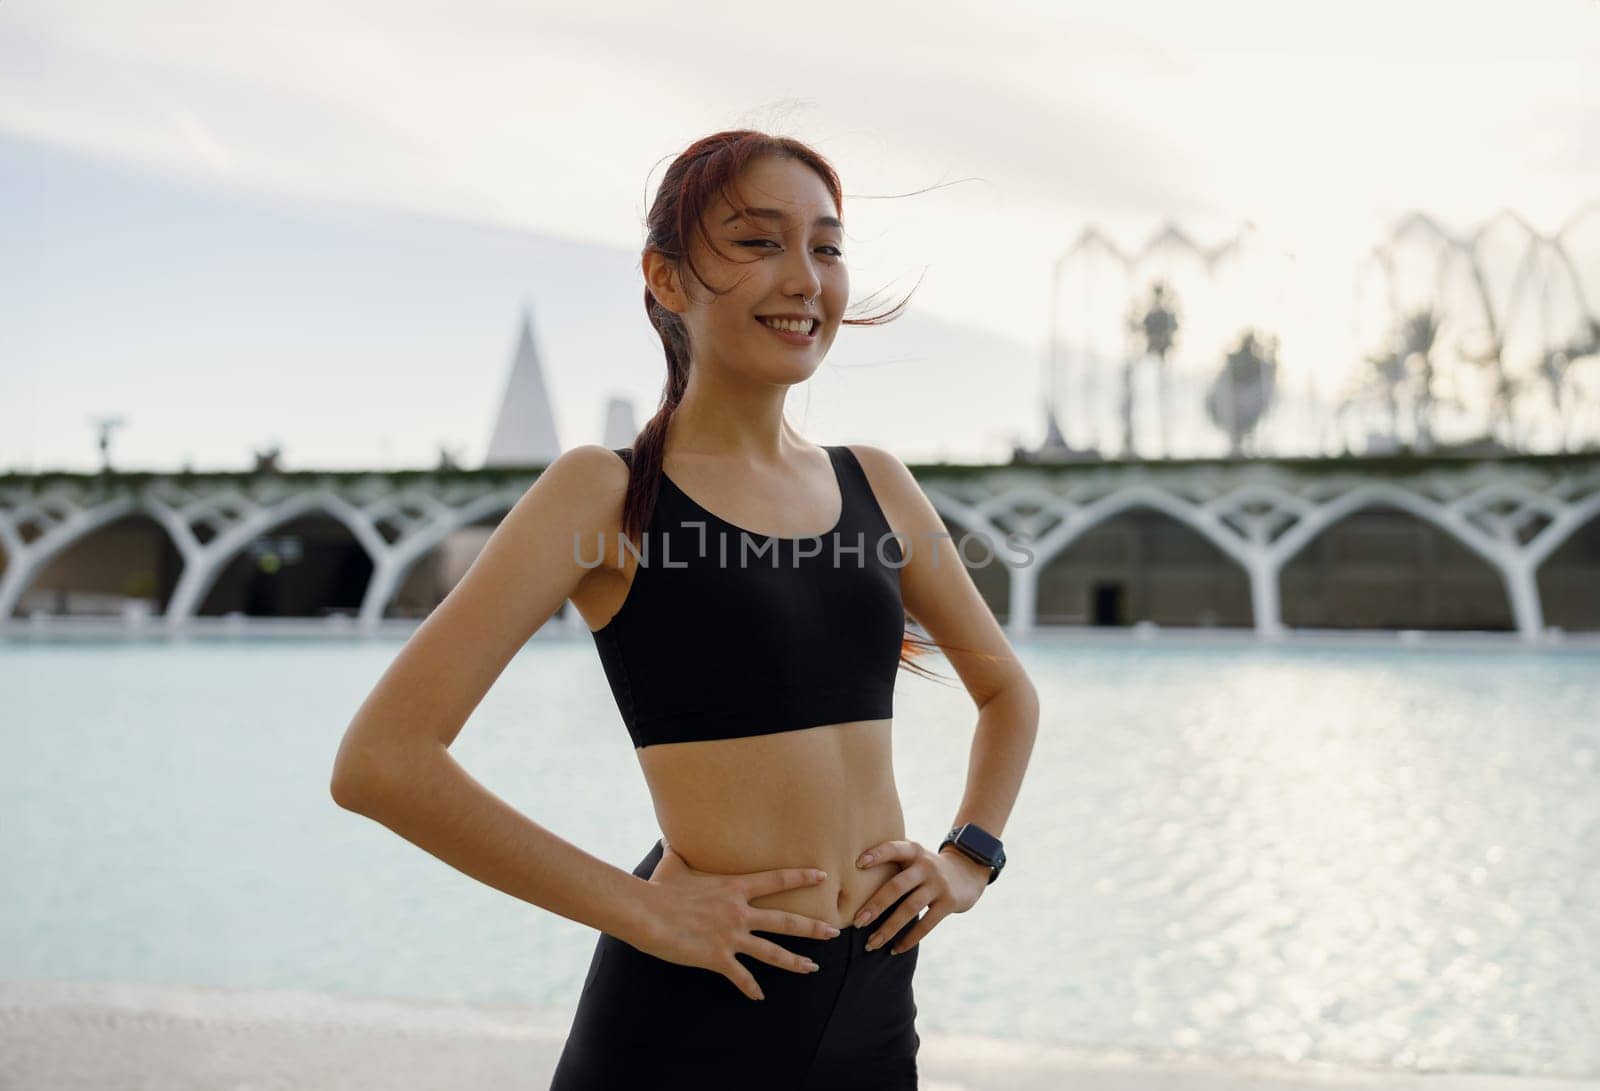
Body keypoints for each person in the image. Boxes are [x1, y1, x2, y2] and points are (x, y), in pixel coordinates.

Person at [329, 129, 1039, 1091]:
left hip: (874, 1004)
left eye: (826, 248)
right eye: (758, 243)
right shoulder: (604, 495)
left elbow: (1007, 696)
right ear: (666, 279)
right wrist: (641, 908)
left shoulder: (878, 484)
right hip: (690, 1014)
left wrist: (970, 858)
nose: (804, 279)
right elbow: (382, 761)